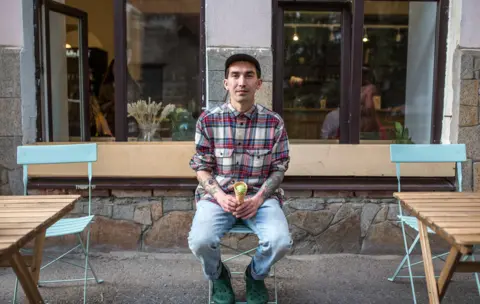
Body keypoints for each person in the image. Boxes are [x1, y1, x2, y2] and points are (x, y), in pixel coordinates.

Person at [188, 54, 292, 304]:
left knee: (280, 242)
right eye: (235, 75)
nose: (241, 81)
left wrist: (257, 200)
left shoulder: (273, 122)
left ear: (259, 83)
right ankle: (218, 276)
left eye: (249, 75)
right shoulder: (208, 120)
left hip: (260, 199)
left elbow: (279, 168)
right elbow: (201, 168)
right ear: (226, 83)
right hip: (217, 198)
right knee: (200, 241)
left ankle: (255, 275)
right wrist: (221, 197)